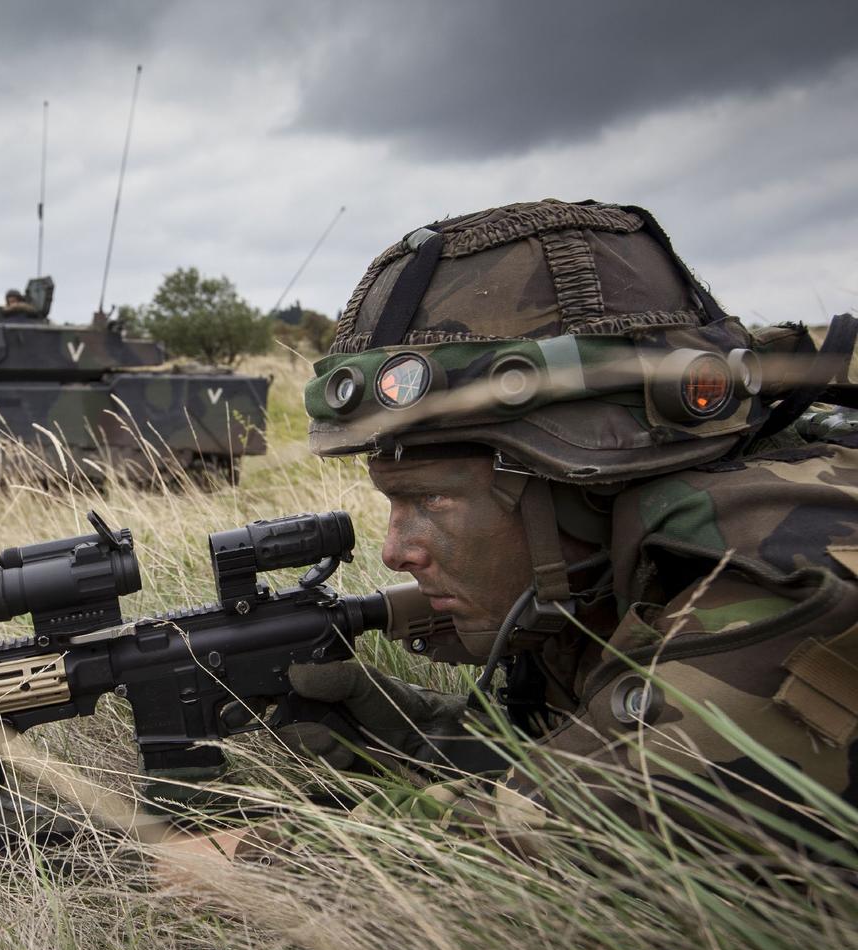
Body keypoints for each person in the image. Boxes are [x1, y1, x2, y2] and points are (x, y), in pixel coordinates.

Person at [227, 197, 858, 854]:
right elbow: (562, 756)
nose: (395, 552)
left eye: (432, 499)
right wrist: (404, 730)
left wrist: (253, 858)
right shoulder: (590, 581)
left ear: (580, 480)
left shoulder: (776, 568)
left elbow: (583, 827)